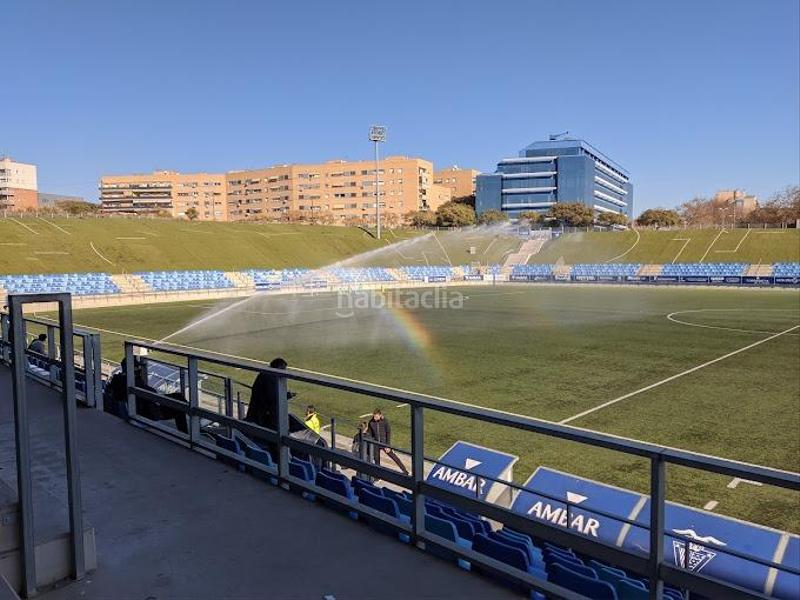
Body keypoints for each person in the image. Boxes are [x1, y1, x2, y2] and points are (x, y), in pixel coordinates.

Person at [367, 408, 409, 475]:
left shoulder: (385, 421)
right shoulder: (371, 422)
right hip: (376, 444)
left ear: (380, 415)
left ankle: (405, 471)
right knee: (377, 460)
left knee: (394, 457)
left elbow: (388, 432)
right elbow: (370, 434)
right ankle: (378, 476)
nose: (374, 418)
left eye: (376, 416)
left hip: (384, 443)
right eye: (374, 416)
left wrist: (388, 445)